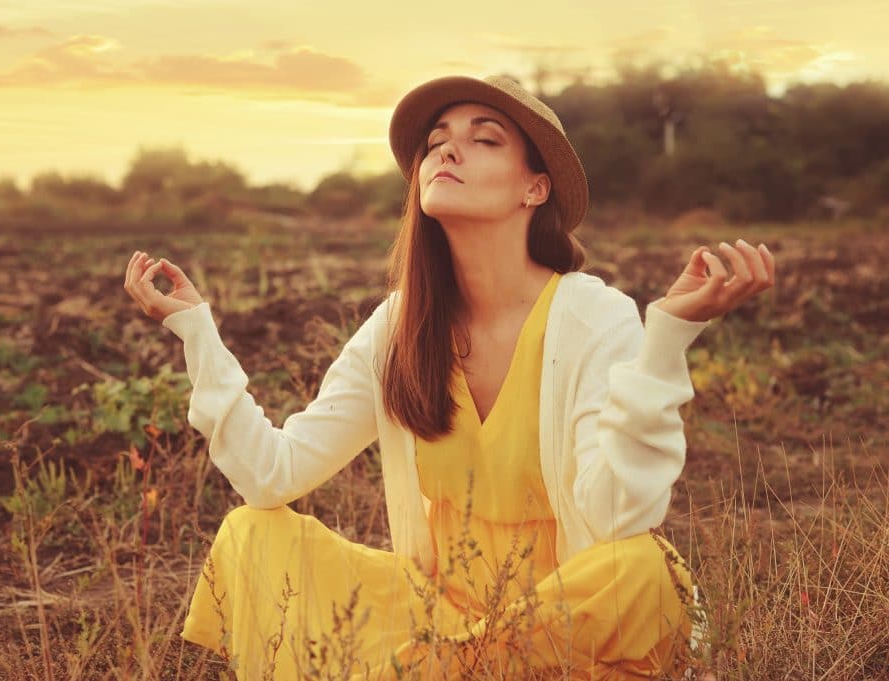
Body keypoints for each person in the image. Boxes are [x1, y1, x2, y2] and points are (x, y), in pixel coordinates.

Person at [123, 74, 775, 680]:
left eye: (482, 139)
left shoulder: (592, 316)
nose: (447, 152)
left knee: (638, 567)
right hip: (439, 621)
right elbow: (272, 474)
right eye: (436, 143)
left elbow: (614, 518)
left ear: (535, 188)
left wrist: (667, 335)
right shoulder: (401, 325)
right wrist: (196, 331)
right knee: (253, 533)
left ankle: (441, 669)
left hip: (572, 624)